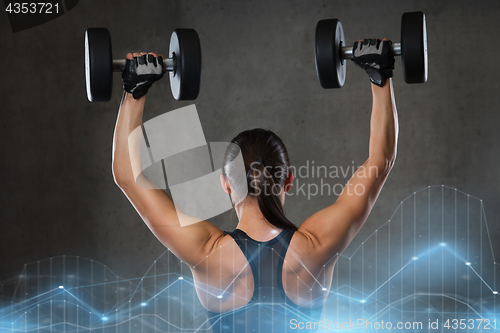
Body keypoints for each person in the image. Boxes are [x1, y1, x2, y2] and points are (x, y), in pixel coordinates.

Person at [112, 38, 398, 332]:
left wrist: (135, 90)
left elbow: (126, 176)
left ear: (225, 184)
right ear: (288, 180)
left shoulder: (206, 252)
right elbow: (381, 161)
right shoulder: (317, 244)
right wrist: (380, 75)